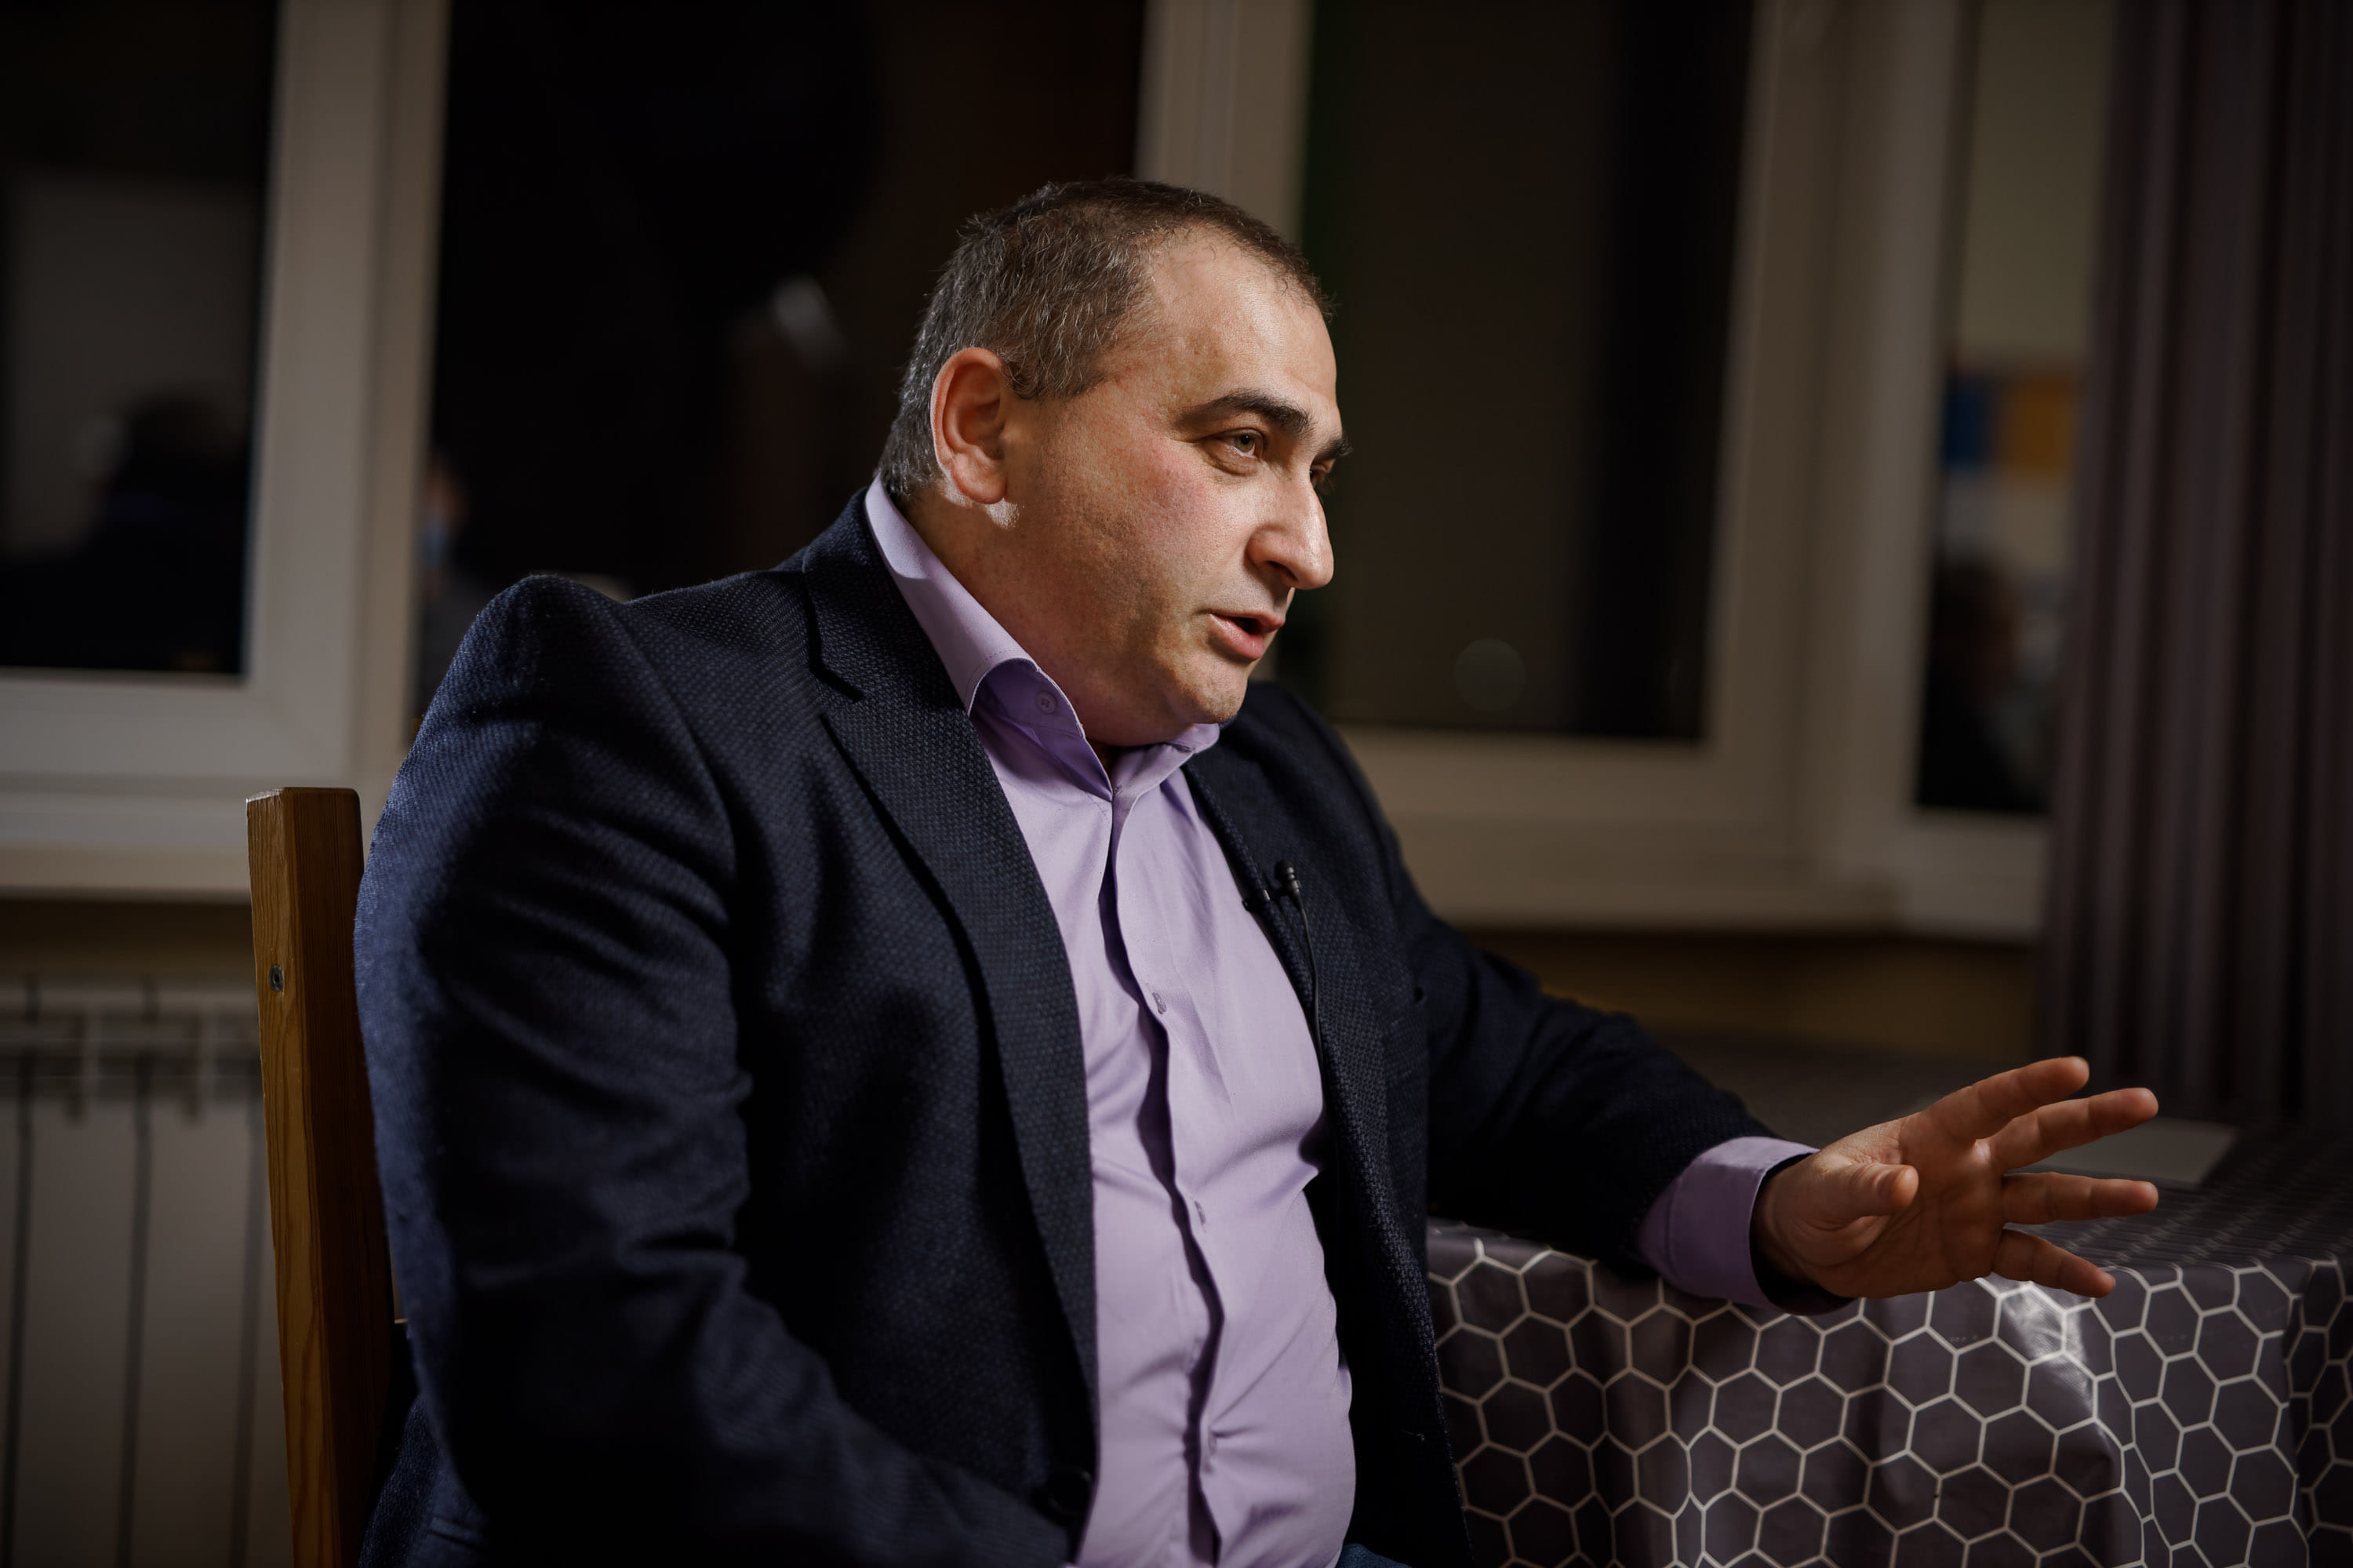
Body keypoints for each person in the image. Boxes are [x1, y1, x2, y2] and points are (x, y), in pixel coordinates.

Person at [355, 180, 2158, 1568]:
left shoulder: (1269, 768)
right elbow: (597, 1365)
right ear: (982, 429)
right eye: (1242, 446)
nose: (1309, 544)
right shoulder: (635, 719)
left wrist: (1783, 1206)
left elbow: (1498, 1060)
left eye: (1320, 469)